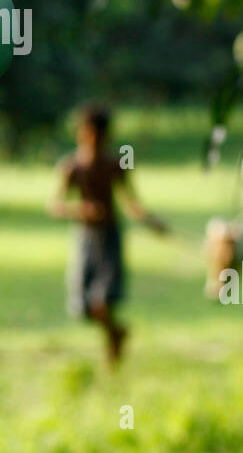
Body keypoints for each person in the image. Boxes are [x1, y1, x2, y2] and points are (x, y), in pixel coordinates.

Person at [48, 104, 167, 367]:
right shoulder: (71, 167)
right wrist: (80, 210)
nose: (94, 139)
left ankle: (113, 360)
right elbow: (54, 206)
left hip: (110, 237)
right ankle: (117, 334)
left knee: (104, 301)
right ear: (81, 133)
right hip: (85, 239)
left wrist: (152, 222)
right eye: (89, 133)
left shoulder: (114, 164)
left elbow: (132, 203)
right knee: (83, 306)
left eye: (99, 134)